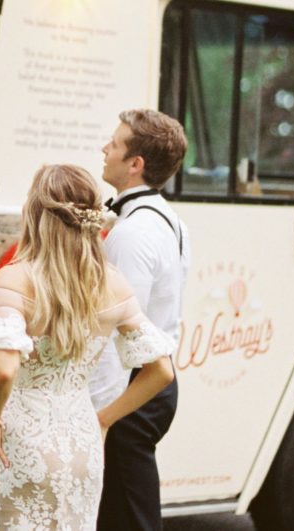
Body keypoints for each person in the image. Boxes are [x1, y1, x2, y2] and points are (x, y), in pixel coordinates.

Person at [0, 164, 176, 530]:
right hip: (83, 439)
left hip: (22, 442)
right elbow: (162, 370)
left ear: (37, 214)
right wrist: (104, 420)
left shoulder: (14, 279)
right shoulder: (114, 285)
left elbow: (4, 369)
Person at [92, 109, 190, 531]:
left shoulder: (133, 233)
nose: (104, 148)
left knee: (129, 518)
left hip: (135, 387)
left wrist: (102, 414)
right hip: (152, 384)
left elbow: (118, 330)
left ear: (135, 164)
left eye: (114, 143)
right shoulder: (168, 219)